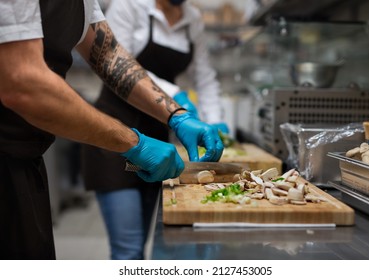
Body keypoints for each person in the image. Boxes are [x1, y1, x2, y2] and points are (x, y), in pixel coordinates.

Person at [0, 0, 224, 260]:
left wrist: (176, 115)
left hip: (24, 158)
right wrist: (133, 142)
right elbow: (23, 83)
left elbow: (108, 55)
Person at [81, 0, 229, 260]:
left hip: (159, 139)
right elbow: (115, 61)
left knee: (148, 241)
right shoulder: (129, 5)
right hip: (114, 132)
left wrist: (214, 120)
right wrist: (175, 98)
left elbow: (204, 76)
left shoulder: (192, 18)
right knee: (128, 250)